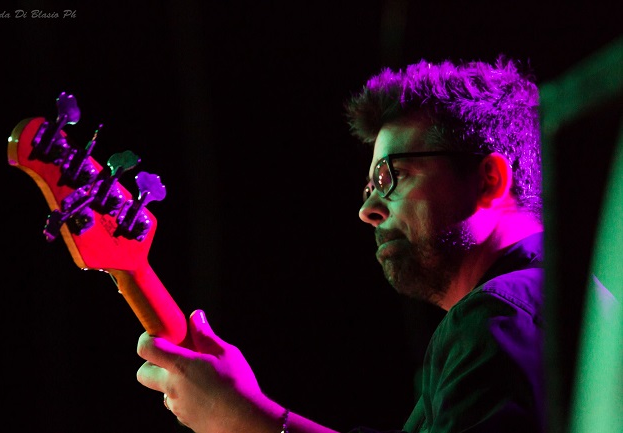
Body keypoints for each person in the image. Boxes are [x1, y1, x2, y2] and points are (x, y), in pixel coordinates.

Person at [136, 55, 545, 433]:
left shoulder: (499, 315)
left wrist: (243, 418)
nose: (368, 209)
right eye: (370, 186)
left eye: (391, 176)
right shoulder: (537, 306)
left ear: (489, 179)